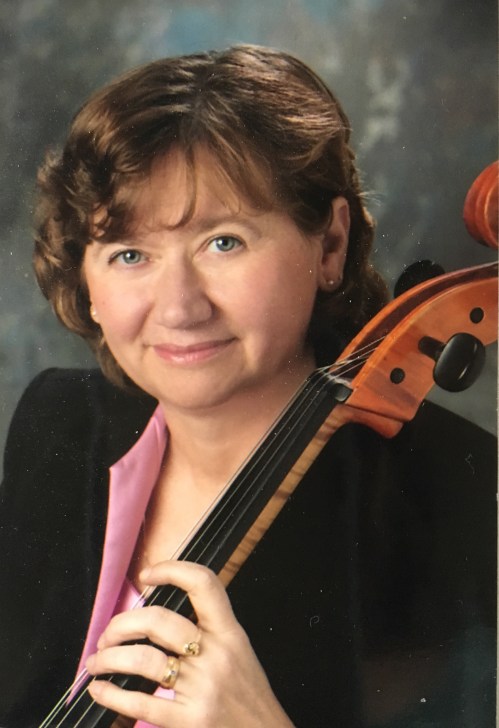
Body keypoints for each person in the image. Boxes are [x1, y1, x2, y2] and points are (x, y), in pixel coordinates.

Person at [0, 45, 495, 728]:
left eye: (223, 242)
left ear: (329, 245)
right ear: (85, 278)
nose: (179, 307)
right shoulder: (58, 425)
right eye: (130, 254)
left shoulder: (458, 493)